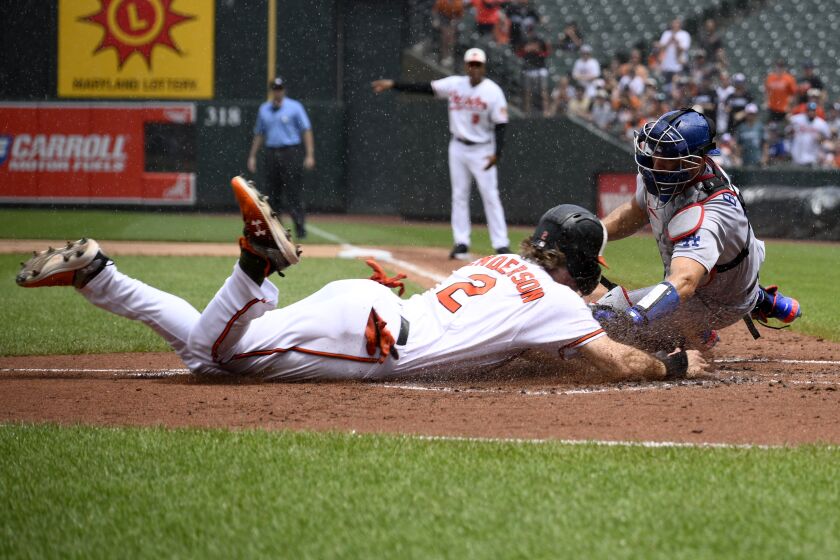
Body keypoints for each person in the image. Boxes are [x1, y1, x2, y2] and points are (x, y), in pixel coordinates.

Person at [16, 177, 709, 382]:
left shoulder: (498, 264)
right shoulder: (557, 304)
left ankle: (101, 276)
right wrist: (675, 365)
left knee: (206, 345)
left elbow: (522, 331)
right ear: (582, 267)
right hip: (372, 339)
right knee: (220, 353)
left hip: (366, 306)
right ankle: (255, 268)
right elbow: (617, 361)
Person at [590, 108, 801, 354]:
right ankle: (760, 300)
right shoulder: (668, 173)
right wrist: (596, 234)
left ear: (697, 161)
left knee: (606, 323)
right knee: (609, 316)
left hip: (716, 302)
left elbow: (685, 281)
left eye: (668, 156)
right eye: (656, 152)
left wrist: (634, 318)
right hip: (720, 277)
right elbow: (636, 212)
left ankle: (693, 332)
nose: (656, 163)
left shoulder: (710, 212)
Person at [371, 48, 511, 260]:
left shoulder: (493, 91)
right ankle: (461, 241)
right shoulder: (456, 84)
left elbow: (501, 125)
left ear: (483, 67)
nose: (473, 69)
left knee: (490, 195)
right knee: (459, 195)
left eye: (477, 65)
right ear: (466, 66)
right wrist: (394, 84)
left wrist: (497, 153)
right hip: (458, 146)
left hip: (483, 148)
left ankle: (501, 244)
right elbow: (425, 88)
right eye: (471, 64)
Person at [247, 76, 315, 240]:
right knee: (272, 193)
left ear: (284, 90)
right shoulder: (264, 109)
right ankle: (276, 230)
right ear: (272, 91)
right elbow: (259, 134)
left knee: (294, 192)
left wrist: (310, 154)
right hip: (271, 152)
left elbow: (306, 130)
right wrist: (252, 156)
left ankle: (300, 230)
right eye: (275, 89)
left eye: (280, 89)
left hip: (290, 151)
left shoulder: (294, 107)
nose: (278, 92)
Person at [788, 102, 831, 167]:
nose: (811, 112)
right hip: (797, 155)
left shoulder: (821, 123)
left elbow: (828, 139)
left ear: (815, 111)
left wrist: (821, 140)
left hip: (812, 157)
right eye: (809, 110)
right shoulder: (798, 119)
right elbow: (787, 124)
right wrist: (792, 131)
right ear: (806, 111)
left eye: (813, 110)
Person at [657, 18, 691, 85]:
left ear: (680, 24)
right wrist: (669, 40)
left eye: (677, 23)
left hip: (679, 65)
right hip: (667, 66)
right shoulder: (666, 33)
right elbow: (661, 47)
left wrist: (676, 41)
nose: (675, 25)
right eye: (674, 23)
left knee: (679, 86)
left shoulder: (685, 34)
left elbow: (684, 48)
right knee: (667, 86)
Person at [432, 0, 465, 68]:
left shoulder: (458, 3)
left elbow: (460, 15)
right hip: (443, 17)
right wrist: (436, 20)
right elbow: (435, 11)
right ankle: (444, 56)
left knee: (450, 38)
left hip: (453, 19)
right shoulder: (441, 1)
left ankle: (450, 56)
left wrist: (455, 22)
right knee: (445, 37)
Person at [764, 59, 797, 123]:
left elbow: (794, 94)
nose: (779, 68)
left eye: (781, 66)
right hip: (772, 108)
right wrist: (766, 102)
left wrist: (791, 109)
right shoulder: (770, 78)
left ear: (784, 67)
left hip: (784, 109)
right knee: (772, 129)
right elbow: (766, 92)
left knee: (784, 129)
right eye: (778, 66)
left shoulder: (789, 79)